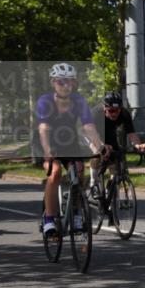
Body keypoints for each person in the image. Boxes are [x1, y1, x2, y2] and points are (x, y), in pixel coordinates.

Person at [37, 63, 106, 235]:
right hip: (46, 141)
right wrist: (47, 151)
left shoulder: (79, 101)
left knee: (80, 172)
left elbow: (88, 126)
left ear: (74, 84)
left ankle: (76, 214)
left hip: (69, 142)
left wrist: (100, 147)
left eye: (70, 82)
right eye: (61, 82)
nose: (66, 85)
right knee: (55, 173)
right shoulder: (45, 101)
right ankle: (49, 219)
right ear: (53, 82)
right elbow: (44, 128)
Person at [90, 92, 145, 199]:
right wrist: (102, 146)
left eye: (117, 110)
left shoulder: (124, 113)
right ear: (104, 108)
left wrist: (138, 145)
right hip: (93, 135)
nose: (114, 114)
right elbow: (92, 135)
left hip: (110, 136)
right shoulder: (96, 114)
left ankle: (110, 190)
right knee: (97, 152)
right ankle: (94, 182)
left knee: (115, 164)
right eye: (111, 110)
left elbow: (132, 134)